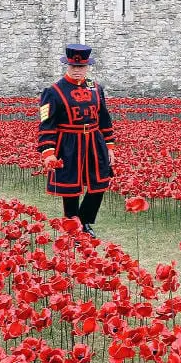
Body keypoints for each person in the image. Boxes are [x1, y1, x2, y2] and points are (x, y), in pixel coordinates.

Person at [37, 44, 115, 237]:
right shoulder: (53, 91)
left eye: (81, 67)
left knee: (100, 183)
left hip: (95, 142)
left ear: (87, 66)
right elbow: (47, 125)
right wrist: (48, 152)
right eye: (74, 66)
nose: (78, 70)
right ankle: (74, 227)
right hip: (68, 144)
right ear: (67, 66)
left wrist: (110, 146)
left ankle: (85, 220)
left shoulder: (96, 89)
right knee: (70, 188)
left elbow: (104, 119)